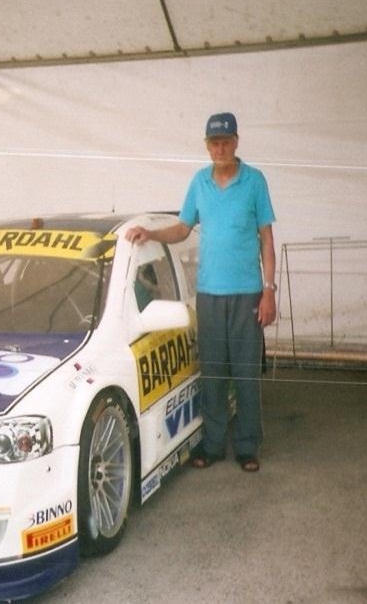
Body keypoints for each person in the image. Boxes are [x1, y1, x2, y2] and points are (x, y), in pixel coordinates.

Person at [125, 112, 276, 473]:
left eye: (226, 141)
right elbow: (182, 228)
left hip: (247, 294)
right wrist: (151, 233)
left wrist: (269, 291)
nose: (220, 148)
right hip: (209, 293)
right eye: (214, 143)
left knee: (245, 374)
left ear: (237, 142)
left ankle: (246, 446)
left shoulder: (255, 181)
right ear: (207, 146)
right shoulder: (199, 182)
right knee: (212, 372)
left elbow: (267, 240)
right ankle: (211, 444)